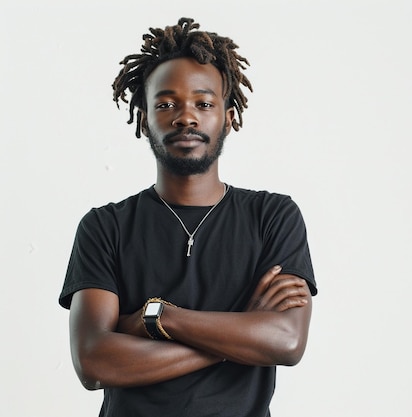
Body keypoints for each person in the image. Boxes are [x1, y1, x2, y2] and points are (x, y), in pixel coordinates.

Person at [58, 17, 316, 417]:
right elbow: (94, 363)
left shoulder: (273, 216)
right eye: (166, 104)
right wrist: (242, 329)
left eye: (204, 103)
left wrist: (153, 317)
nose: (186, 117)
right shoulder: (104, 227)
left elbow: (284, 342)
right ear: (144, 120)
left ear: (228, 117)